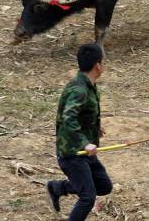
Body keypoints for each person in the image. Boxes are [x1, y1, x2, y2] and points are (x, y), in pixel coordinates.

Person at [46, 43, 112, 220]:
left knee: (104, 186)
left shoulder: (87, 84)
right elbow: (68, 118)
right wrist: (85, 142)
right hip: (72, 153)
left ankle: (58, 188)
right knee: (87, 198)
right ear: (98, 66)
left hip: (84, 152)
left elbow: (80, 113)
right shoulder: (79, 89)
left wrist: (93, 126)